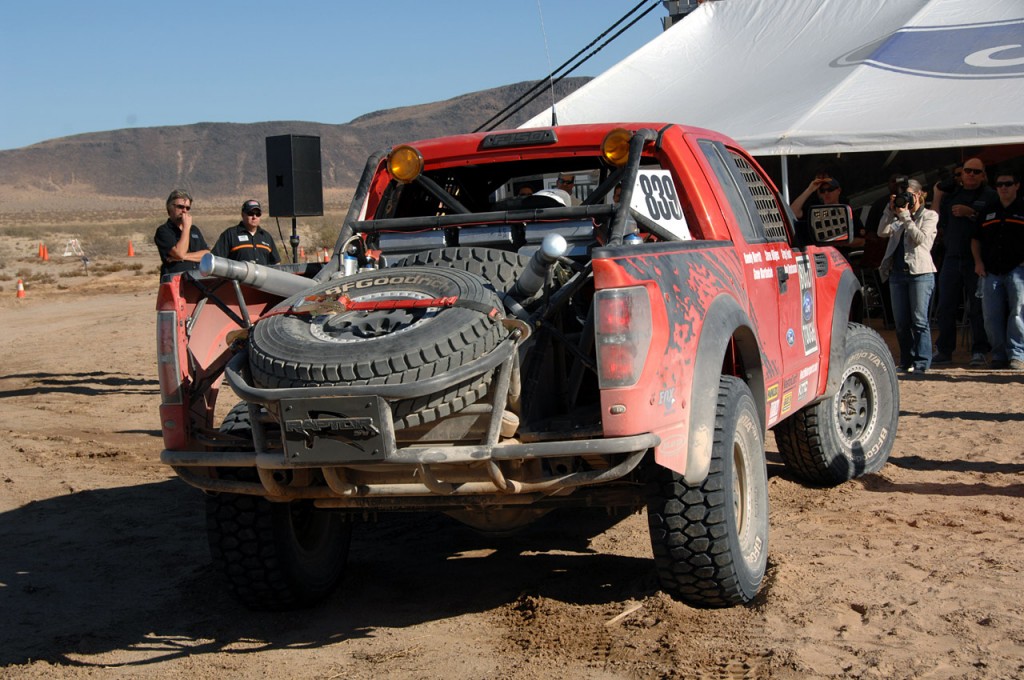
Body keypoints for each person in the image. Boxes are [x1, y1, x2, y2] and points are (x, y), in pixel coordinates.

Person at [932, 157, 995, 366]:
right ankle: (944, 350)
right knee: (945, 306)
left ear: (983, 175)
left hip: (977, 260)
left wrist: (972, 213)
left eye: (976, 172)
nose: (971, 175)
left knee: (977, 308)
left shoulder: (990, 196)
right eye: (968, 171)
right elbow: (936, 221)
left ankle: (979, 350)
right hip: (952, 256)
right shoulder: (953, 195)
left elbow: (993, 225)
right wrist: (937, 195)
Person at [878, 179, 937, 374]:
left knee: (919, 320)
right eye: (902, 195)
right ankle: (906, 360)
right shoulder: (898, 217)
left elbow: (920, 239)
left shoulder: (929, 215)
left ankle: (921, 363)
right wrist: (890, 209)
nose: (906, 199)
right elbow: (882, 232)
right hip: (897, 274)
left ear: (919, 195)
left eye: (909, 194)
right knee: (902, 323)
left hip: (920, 274)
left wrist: (906, 218)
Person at [971, 170, 1024, 370]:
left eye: (1008, 183)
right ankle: (999, 355)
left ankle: (1017, 354)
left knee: (1018, 312)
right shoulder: (988, 210)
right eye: (999, 184)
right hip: (990, 270)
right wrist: (978, 262)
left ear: (1017, 185)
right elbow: (975, 239)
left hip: (1017, 270)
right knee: (991, 316)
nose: (1003, 187)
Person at [154, 189, 209, 278]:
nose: (184, 211)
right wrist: (186, 227)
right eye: (180, 207)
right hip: (176, 281)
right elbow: (179, 253)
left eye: (187, 208)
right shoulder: (163, 231)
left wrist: (185, 257)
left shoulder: (194, 230)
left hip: (197, 280)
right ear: (170, 208)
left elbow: (207, 255)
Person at [212, 199, 281, 266]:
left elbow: (276, 264)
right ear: (243, 215)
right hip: (237, 277)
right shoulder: (230, 234)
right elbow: (216, 260)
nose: (254, 217)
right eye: (250, 213)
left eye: (258, 214)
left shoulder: (266, 236)